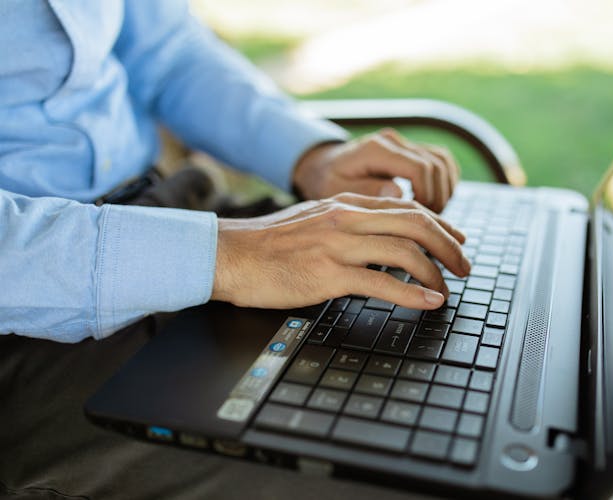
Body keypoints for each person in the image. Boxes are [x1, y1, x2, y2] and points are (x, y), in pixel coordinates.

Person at [0, 1, 468, 498]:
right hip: (29, 323)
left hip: (174, 211)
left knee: (443, 383)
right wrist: (228, 257)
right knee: (405, 471)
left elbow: (167, 53)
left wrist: (313, 157)